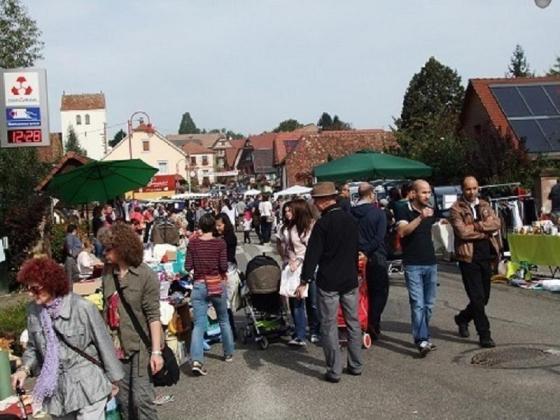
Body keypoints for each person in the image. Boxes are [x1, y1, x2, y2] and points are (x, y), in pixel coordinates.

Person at [12, 257, 124, 419]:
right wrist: (24, 369)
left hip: (88, 384)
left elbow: (104, 344)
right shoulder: (33, 311)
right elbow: (32, 347)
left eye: (35, 288)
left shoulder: (82, 307)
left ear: (51, 284)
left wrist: (114, 380)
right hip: (56, 392)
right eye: (27, 288)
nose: (30, 293)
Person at [297, 182, 363, 383]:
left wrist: (304, 280)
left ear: (323, 201)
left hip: (329, 280)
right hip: (349, 278)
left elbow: (312, 255)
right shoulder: (351, 220)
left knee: (329, 325)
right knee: (353, 322)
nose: (314, 205)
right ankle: (355, 364)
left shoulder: (323, 225)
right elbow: (355, 249)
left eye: (316, 201)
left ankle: (334, 370)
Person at [99, 222, 164, 420]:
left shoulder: (145, 275)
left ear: (122, 248)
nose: (104, 253)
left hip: (140, 347)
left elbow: (153, 316)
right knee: (124, 402)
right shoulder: (107, 273)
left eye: (108, 249)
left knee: (142, 399)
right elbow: (105, 309)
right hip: (116, 348)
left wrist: (156, 352)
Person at [449, 176, 501, 348]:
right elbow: (462, 232)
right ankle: (484, 334)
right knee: (477, 297)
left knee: (484, 298)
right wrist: (485, 230)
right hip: (468, 257)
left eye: (474, 188)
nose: (471, 192)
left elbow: (496, 223)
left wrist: (477, 227)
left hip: (485, 254)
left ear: (478, 188)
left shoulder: (485, 205)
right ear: (462, 190)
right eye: (468, 189)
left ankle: (462, 318)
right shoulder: (456, 209)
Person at [186, 214, 235, 376]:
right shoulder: (220, 243)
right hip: (216, 283)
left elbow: (188, 266)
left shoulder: (193, 243)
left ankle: (196, 360)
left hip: (199, 284)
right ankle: (228, 353)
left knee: (199, 324)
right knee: (223, 319)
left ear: (200, 226)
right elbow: (223, 265)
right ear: (213, 226)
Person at [396, 180, 438, 357]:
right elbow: (403, 231)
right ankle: (421, 339)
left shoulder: (432, 210)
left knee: (428, 305)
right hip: (413, 263)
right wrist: (420, 217)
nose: (427, 196)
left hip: (430, 262)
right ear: (413, 193)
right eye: (423, 193)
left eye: (429, 192)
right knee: (418, 304)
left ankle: (424, 336)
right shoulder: (403, 209)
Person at [351, 182, 388, 340]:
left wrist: (359, 251)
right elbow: (379, 237)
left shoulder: (350, 213)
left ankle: (361, 322)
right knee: (380, 291)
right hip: (376, 256)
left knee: (360, 293)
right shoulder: (378, 213)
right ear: (372, 194)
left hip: (354, 256)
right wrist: (366, 251)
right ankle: (373, 321)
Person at [277, 200, 317, 346]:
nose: (287, 213)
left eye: (290, 211)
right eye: (285, 211)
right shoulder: (285, 228)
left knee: (311, 301)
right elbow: (281, 245)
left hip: (306, 267)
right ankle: (299, 332)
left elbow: (310, 249)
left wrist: (299, 260)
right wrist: (286, 260)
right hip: (290, 267)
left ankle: (313, 330)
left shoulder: (305, 227)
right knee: (295, 300)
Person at [215, 212, 240, 340]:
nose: (218, 228)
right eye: (216, 225)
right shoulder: (223, 237)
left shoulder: (229, 238)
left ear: (226, 223)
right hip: (226, 272)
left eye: (220, 225)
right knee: (225, 303)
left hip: (228, 273)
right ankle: (228, 330)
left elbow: (227, 257)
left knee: (226, 303)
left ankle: (231, 332)